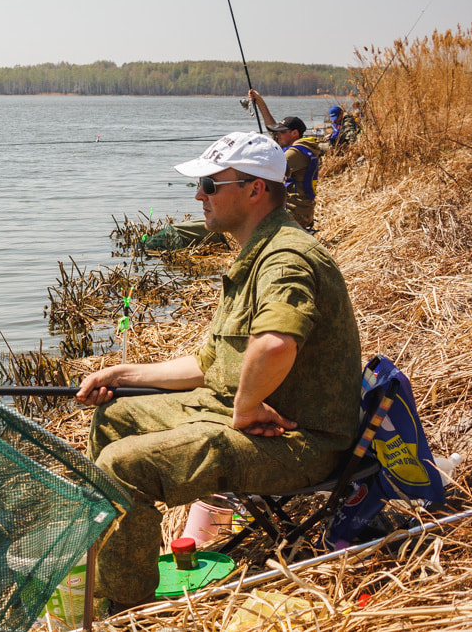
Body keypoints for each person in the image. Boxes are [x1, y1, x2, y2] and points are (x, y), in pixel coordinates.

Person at [75, 131, 362, 610]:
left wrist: (247, 406)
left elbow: (274, 343)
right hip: (237, 413)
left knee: (126, 466)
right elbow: (210, 365)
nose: (199, 195)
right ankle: (116, 562)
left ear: (255, 190)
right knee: (112, 420)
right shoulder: (253, 255)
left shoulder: (288, 256)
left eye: (211, 185)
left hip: (300, 443)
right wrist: (122, 375)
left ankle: (123, 607)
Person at [247, 89, 323, 230]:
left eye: (282, 132)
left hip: (295, 215)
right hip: (300, 212)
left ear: (294, 133)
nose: (278, 135)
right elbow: (272, 130)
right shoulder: (298, 147)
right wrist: (260, 103)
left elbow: (269, 168)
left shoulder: (296, 153)